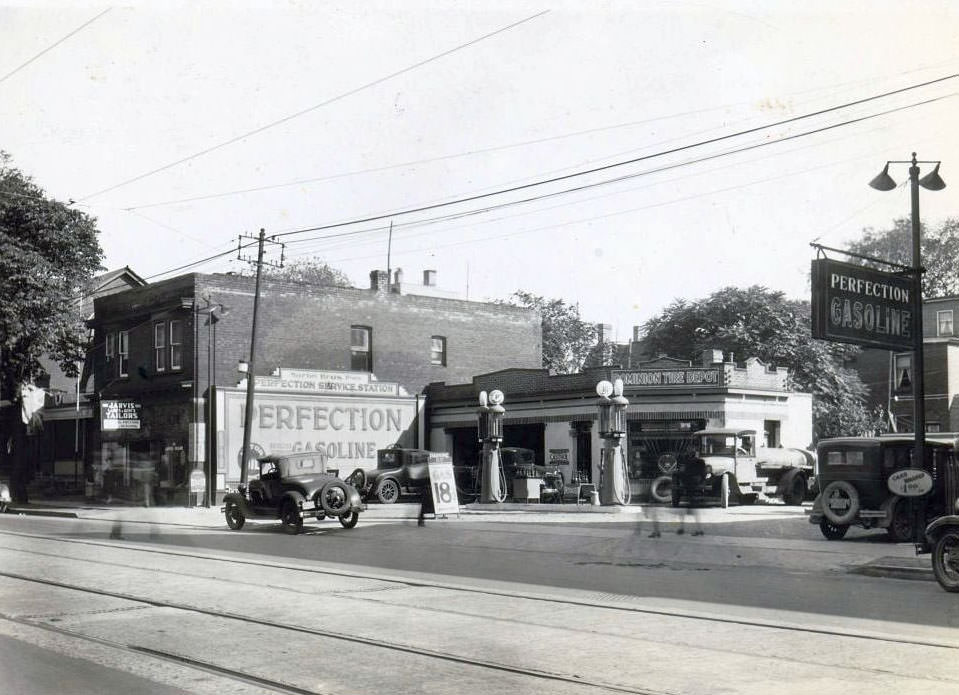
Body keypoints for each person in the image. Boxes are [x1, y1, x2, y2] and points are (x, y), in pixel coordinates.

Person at [677, 449, 705, 536]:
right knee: (691, 509)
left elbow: (683, 474)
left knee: (689, 509)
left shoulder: (687, 462)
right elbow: (703, 474)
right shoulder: (701, 462)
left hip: (690, 487)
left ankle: (686, 529)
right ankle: (693, 529)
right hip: (697, 486)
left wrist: (682, 482)